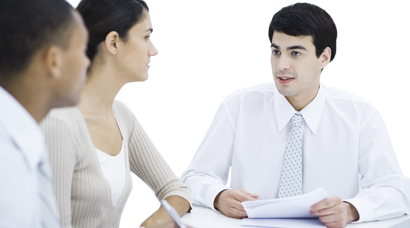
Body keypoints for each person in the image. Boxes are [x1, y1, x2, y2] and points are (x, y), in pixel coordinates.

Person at [181, 3, 410, 228]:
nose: (281, 65)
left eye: (295, 53)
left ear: (324, 57)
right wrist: (218, 196)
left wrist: (351, 209)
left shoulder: (360, 116)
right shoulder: (239, 106)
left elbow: (396, 190)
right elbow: (193, 177)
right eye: (276, 51)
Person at [40, 0, 191, 227]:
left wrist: (153, 223)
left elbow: (176, 190)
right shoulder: (59, 124)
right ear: (113, 42)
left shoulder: (121, 116)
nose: (154, 50)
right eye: (146, 37)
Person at [0, 0, 90, 227]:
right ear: (54, 60)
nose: (87, 62)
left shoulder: (27, 141)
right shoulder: (6, 165)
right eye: (82, 50)